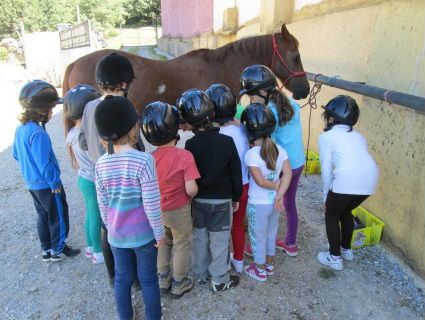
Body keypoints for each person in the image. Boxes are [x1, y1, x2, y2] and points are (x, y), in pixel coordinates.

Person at [94, 95, 164, 320]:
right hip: (144, 236)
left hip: (116, 236)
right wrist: (160, 232)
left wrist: (109, 225)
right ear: (133, 127)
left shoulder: (101, 164)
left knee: (122, 279)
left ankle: (125, 316)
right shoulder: (143, 160)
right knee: (149, 279)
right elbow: (152, 202)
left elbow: (102, 202)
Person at [79, 52, 138, 282]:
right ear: (124, 84)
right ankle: (134, 277)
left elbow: (83, 142)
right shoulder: (125, 107)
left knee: (107, 225)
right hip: (123, 178)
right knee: (130, 223)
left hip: (98, 175)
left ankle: (113, 275)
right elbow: (136, 144)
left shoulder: (88, 107)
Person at [177, 89, 242, 292]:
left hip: (199, 203)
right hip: (222, 202)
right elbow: (235, 172)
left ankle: (200, 273)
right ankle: (219, 278)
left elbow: (189, 176)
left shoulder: (190, 144)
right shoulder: (227, 142)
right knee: (220, 240)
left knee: (200, 238)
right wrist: (237, 196)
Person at [13, 80, 80, 262]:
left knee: (42, 216)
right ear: (42, 111)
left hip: (32, 184)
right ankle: (58, 249)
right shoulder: (38, 133)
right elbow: (44, 163)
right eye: (51, 109)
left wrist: (30, 169)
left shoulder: (21, 129)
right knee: (57, 214)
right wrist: (54, 182)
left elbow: (16, 154)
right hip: (47, 185)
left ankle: (46, 249)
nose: (52, 112)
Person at [240, 64, 303, 257]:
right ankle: (290, 243)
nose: (250, 100)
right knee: (290, 203)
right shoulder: (289, 103)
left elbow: (264, 138)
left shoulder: (270, 113)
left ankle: (260, 244)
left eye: (251, 96)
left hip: (282, 164)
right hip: (297, 161)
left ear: (262, 91)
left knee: (268, 200)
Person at [140, 101, 200, 298]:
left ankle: (163, 279)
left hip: (157, 210)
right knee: (182, 243)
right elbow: (191, 189)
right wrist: (191, 195)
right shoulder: (185, 155)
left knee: (163, 242)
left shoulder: (148, 159)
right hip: (179, 209)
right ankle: (179, 282)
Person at [317, 95, 379, 271]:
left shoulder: (326, 137)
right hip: (370, 180)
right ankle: (346, 250)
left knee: (331, 215)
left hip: (347, 179)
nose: (326, 118)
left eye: (328, 115)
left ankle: (334, 258)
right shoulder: (359, 136)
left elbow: (327, 169)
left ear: (333, 118)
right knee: (346, 211)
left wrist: (326, 198)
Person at [241, 103, 292, 282]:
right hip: (274, 203)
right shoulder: (281, 150)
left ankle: (260, 269)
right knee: (271, 234)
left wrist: (275, 188)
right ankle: (269, 265)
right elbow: (288, 173)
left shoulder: (252, 154)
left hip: (258, 204)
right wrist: (280, 194)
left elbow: (260, 181)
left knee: (257, 237)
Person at [206, 84, 249, 273]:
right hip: (245, 186)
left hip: (225, 190)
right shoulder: (244, 131)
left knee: (220, 229)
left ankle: (220, 263)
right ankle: (239, 261)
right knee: (238, 226)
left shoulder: (218, 136)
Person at [63, 84, 104, 264]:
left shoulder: (71, 133)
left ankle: (89, 247)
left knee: (89, 213)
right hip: (93, 180)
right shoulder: (86, 135)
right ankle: (98, 251)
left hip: (83, 178)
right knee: (96, 215)